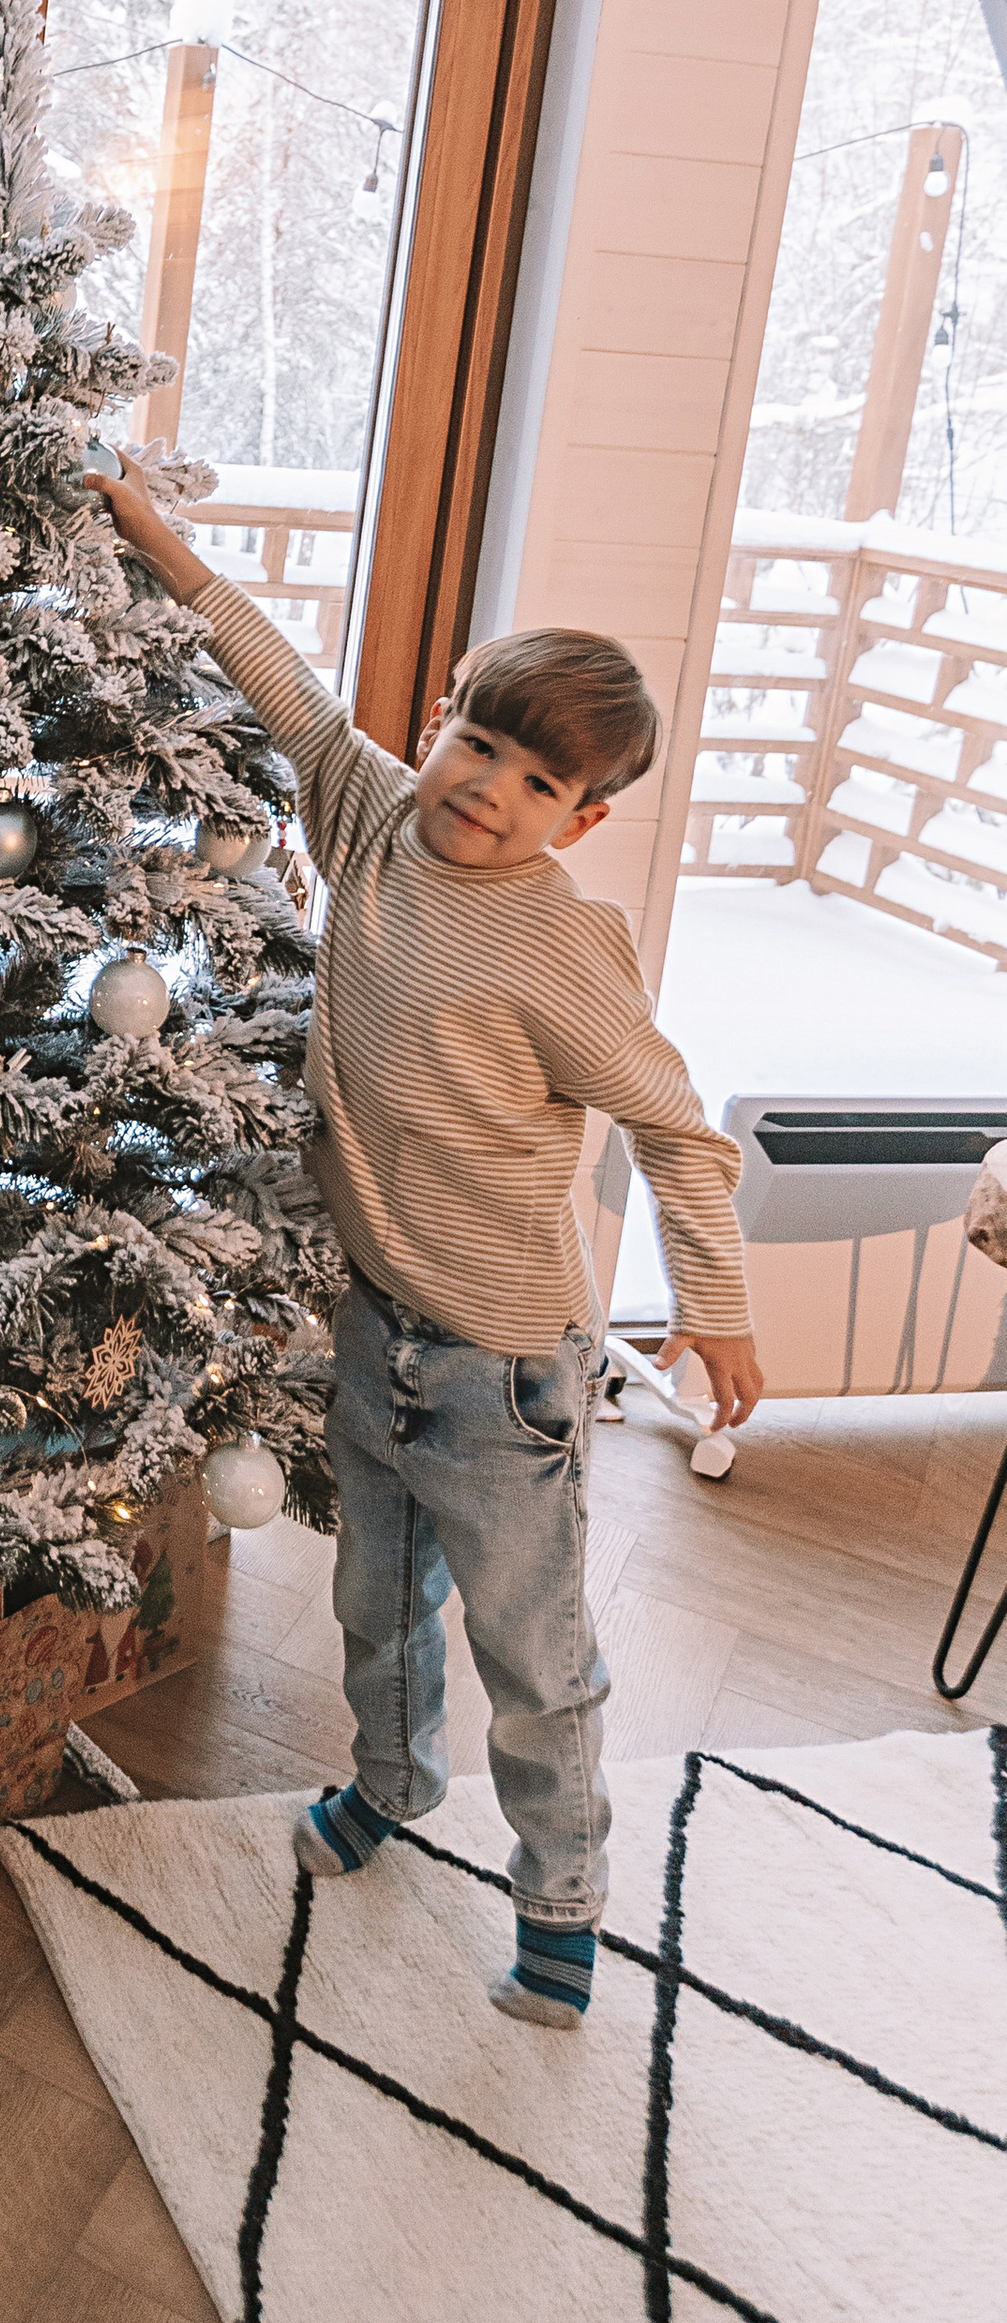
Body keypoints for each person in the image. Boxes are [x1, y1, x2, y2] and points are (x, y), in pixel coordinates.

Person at [100, 453, 763, 2026]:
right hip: (376, 1327)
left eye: (537, 783)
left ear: (583, 819)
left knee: (534, 1657)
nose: (486, 789)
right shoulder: (376, 819)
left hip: (504, 1372)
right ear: (448, 716)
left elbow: (677, 1125)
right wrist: (165, 552)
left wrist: (715, 1306)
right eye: (479, 742)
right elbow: (294, 700)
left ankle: (566, 1900)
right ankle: (391, 1790)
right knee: (373, 1602)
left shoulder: (562, 948)